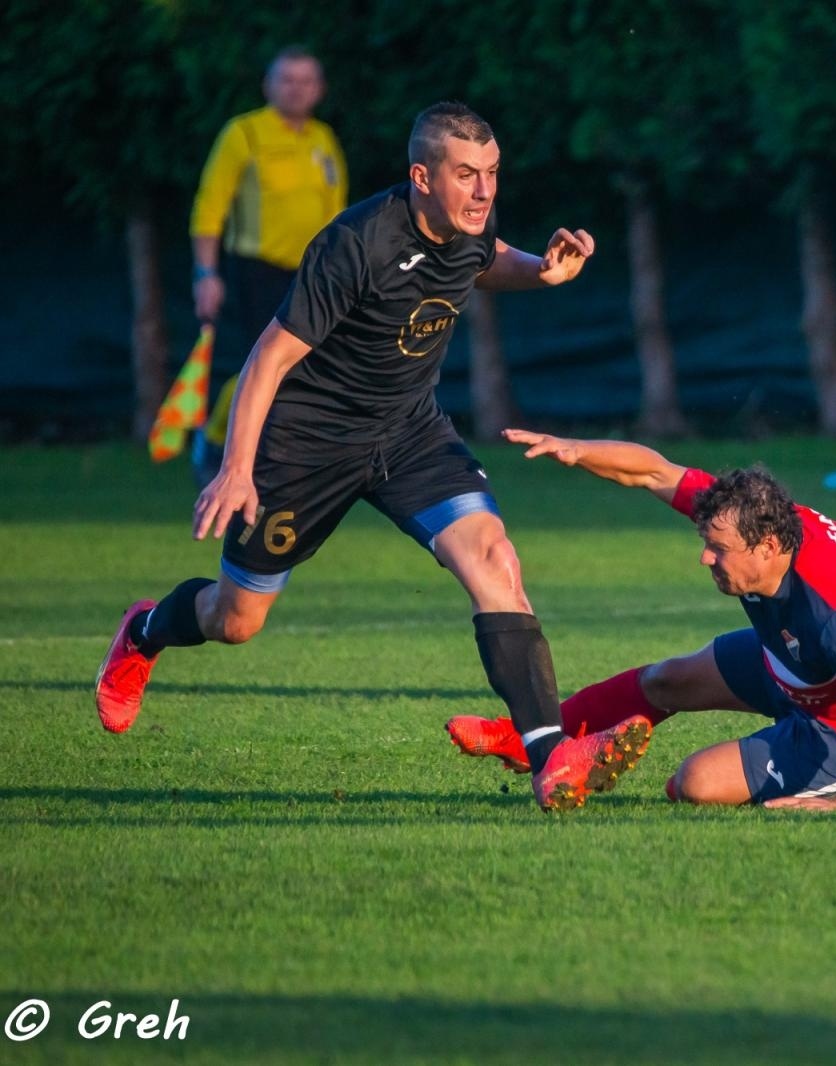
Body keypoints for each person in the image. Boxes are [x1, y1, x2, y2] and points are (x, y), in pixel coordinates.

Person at [95, 102, 613, 812]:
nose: (485, 191)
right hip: (307, 447)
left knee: (496, 561)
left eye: (492, 174)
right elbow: (268, 358)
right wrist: (238, 467)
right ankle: (145, 630)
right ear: (421, 177)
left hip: (410, 435)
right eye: (467, 176)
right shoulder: (356, 244)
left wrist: (543, 273)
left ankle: (551, 760)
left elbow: (485, 260)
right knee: (237, 620)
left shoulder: (469, 221)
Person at [445, 432, 836, 812]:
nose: (705, 559)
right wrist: (577, 449)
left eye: (718, 550)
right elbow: (653, 472)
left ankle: (806, 759)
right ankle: (535, 741)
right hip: (804, 664)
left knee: (694, 784)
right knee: (667, 679)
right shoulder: (752, 516)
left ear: (767, 547)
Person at [190, 46, 347, 485]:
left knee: (312, 364)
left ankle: (291, 455)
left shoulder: (323, 140)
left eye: (306, 81)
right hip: (258, 268)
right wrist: (206, 273)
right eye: (287, 79)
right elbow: (210, 207)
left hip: (314, 274)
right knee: (263, 363)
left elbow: (339, 218)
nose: (296, 89)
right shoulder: (245, 134)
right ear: (268, 85)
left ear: (319, 89)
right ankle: (218, 440)